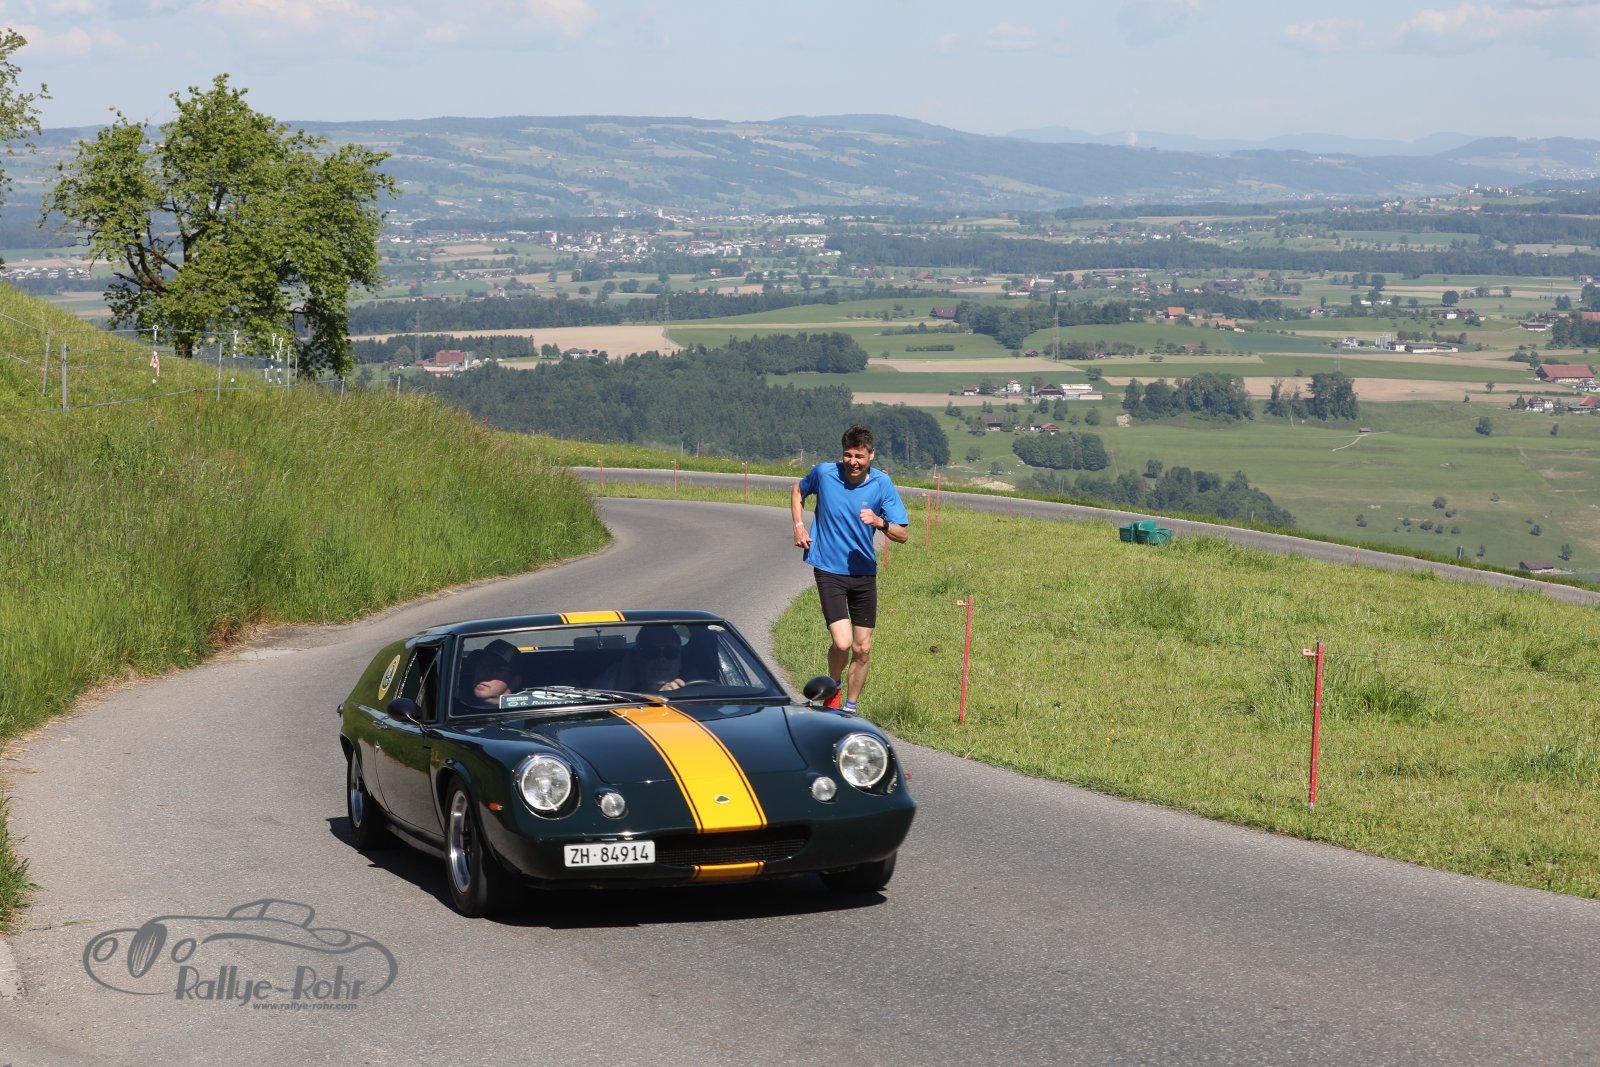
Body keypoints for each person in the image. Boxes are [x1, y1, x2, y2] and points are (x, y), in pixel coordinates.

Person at [791, 423, 909, 712]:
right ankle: (833, 688)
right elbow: (797, 490)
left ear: (871, 455)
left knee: (863, 648)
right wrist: (799, 525)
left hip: (863, 573)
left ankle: (849, 709)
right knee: (843, 643)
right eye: (848, 455)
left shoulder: (882, 484)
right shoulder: (824, 474)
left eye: (859, 456)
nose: (853, 462)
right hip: (829, 569)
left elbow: (903, 534)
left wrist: (880, 522)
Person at [596, 628, 691, 692]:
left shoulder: (696, 695)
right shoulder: (621, 699)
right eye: (652, 652)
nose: (661, 659)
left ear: (680, 661)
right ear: (638, 659)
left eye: (670, 652)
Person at [459, 640, 518, 707]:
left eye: (495, 669)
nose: (482, 674)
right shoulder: (455, 702)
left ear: (514, 682)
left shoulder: (520, 711)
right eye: (481, 665)